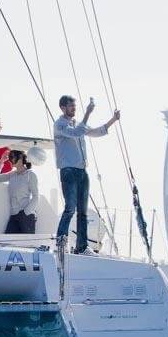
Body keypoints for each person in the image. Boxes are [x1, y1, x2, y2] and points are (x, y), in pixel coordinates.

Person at [54, 95, 120, 254]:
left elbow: (94, 132)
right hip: (68, 171)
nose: (74, 109)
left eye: (75, 107)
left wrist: (113, 120)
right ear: (63, 108)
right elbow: (76, 133)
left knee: (82, 211)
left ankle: (81, 247)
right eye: (71, 106)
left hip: (82, 172)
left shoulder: (77, 124)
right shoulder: (60, 125)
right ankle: (60, 242)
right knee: (70, 208)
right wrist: (88, 113)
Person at [0, 150, 39, 234]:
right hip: (13, 215)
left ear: (20, 158)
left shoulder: (30, 175)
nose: (10, 160)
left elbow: (36, 197)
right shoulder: (12, 174)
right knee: (8, 243)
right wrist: (1, 161)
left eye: (12, 157)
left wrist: (25, 213)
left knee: (27, 245)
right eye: (9, 157)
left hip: (26, 216)